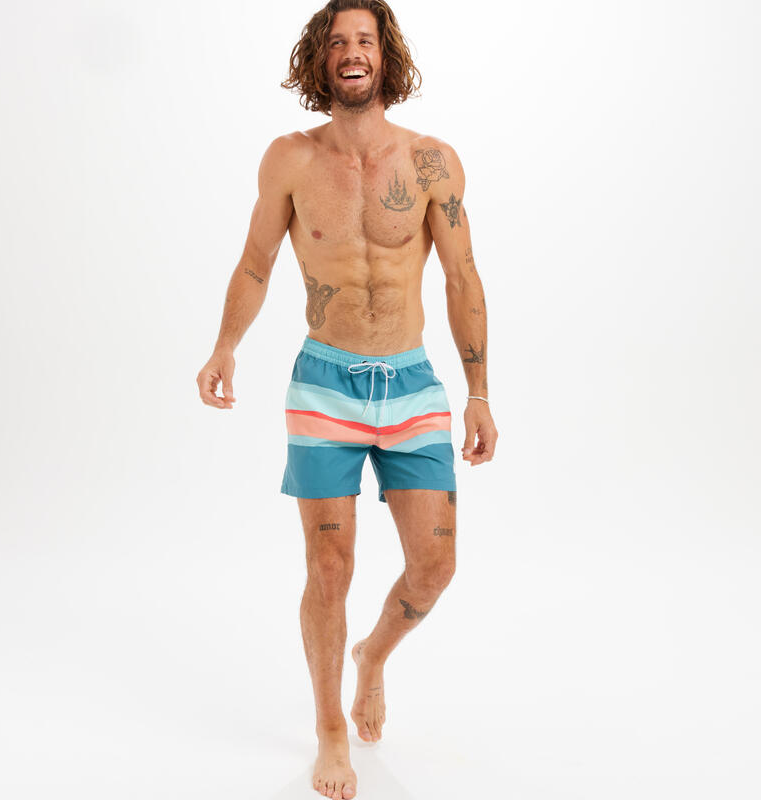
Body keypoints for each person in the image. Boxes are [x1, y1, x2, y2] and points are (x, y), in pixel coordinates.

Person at [196, 1, 498, 797]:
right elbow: (256, 261)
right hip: (324, 383)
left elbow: (462, 277)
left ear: (385, 57)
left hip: (412, 383)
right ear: (320, 60)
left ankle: (373, 656)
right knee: (329, 566)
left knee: (435, 565)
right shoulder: (290, 159)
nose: (351, 52)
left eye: (365, 40)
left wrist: (478, 391)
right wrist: (225, 346)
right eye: (337, 42)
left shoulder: (432, 162)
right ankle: (330, 727)